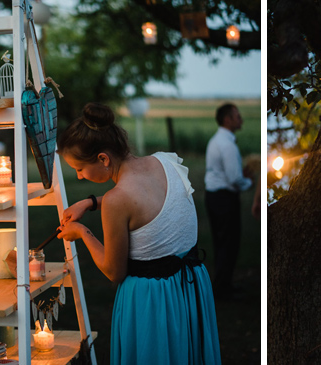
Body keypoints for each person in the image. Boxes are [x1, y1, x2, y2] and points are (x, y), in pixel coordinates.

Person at [56, 103, 221, 364]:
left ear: (103, 159)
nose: (78, 176)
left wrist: (82, 232)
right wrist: (90, 202)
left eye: (79, 168)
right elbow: (148, 200)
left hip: (152, 300)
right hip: (190, 284)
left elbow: (114, 271)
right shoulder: (165, 161)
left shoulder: (116, 200)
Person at [204, 103, 253, 299]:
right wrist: (250, 182)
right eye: (237, 116)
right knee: (229, 243)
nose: (240, 119)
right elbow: (234, 179)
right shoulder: (227, 145)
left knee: (220, 241)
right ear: (227, 120)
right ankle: (223, 288)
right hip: (225, 198)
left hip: (213, 196)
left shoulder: (216, 140)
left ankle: (222, 283)